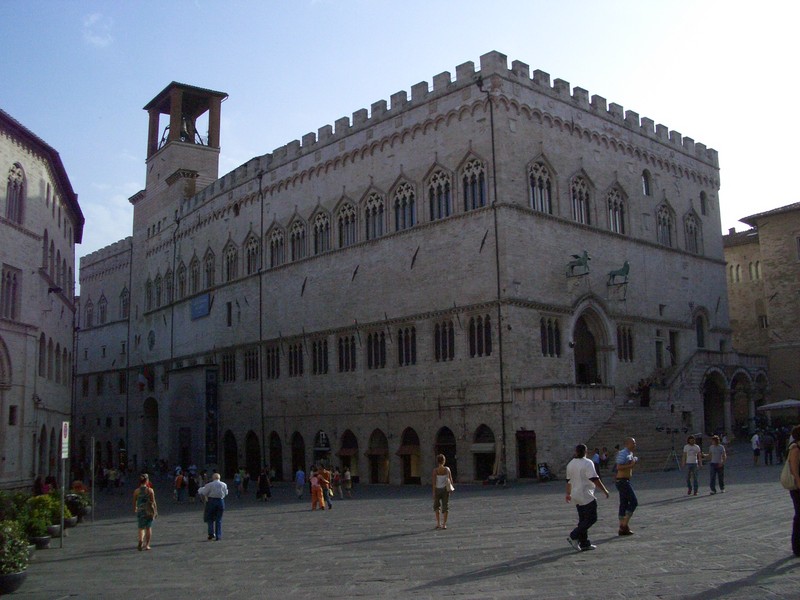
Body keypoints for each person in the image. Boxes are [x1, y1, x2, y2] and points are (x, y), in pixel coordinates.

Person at [565, 444, 610, 551]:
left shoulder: (570, 464)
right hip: (586, 494)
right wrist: (604, 490)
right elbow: (595, 479)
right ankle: (573, 535)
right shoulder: (587, 463)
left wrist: (568, 494)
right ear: (586, 452)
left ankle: (584, 542)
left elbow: (568, 481)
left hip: (575, 495)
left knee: (583, 519)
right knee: (592, 518)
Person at [615, 437, 638, 536]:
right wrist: (631, 465)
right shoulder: (623, 453)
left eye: (635, 443)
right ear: (627, 444)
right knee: (634, 501)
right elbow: (618, 467)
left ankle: (622, 529)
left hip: (624, 480)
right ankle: (624, 525)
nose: (635, 444)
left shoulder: (630, 453)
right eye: (633, 443)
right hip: (622, 481)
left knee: (623, 503)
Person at [198, 472, 228, 541]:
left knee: (210, 518)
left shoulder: (209, 485)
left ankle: (211, 533)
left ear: (213, 478)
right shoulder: (224, 484)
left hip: (212, 501)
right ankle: (218, 536)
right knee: (219, 519)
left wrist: (201, 490)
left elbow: (205, 492)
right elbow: (226, 493)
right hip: (221, 501)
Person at [786, 425, 800, 556]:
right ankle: (797, 547)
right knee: (799, 515)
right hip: (797, 487)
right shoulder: (795, 448)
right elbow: (794, 469)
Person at [133, 474, 157, 551]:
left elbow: (134, 501)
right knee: (148, 528)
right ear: (147, 481)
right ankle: (147, 545)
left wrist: (135, 508)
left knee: (141, 528)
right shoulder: (150, 490)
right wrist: (155, 511)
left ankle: (140, 540)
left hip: (140, 510)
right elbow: (153, 502)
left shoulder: (136, 491)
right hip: (148, 511)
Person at [432, 454, 455, 530]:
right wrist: (451, 489)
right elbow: (450, 480)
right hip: (445, 490)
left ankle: (438, 523)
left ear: (437, 461)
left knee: (436, 507)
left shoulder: (435, 470)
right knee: (445, 506)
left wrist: (434, 492)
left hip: (437, 489)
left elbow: (434, 482)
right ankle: (444, 524)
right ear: (444, 461)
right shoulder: (447, 469)